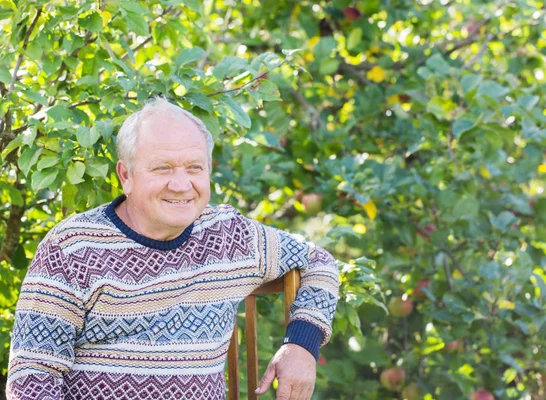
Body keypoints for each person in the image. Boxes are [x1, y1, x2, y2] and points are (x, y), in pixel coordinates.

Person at [6, 97, 340, 400]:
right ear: (127, 175)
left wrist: (301, 344)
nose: (181, 185)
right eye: (162, 168)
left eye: (194, 168)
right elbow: (32, 378)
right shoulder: (72, 248)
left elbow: (318, 262)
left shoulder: (229, 235)